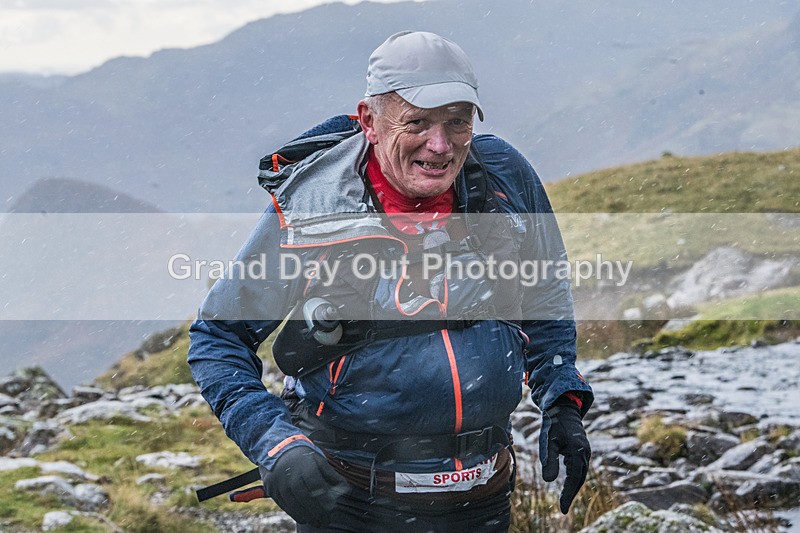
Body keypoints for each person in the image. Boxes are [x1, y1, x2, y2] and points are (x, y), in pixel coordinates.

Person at [188, 31, 592, 532]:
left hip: (483, 497)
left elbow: (544, 293)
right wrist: (275, 444)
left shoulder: (503, 180)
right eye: (417, 123)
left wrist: (563, 398)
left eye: (457, 123)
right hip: (349, 503)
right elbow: (219, 336)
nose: (439, 146)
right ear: (369, 122)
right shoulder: (314, 210)